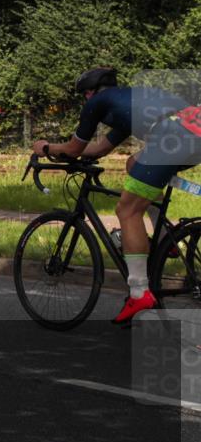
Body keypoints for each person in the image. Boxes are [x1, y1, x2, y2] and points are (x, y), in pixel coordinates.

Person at [33, 67, 201, 323]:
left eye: (84, 96)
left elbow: (75, 148)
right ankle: (165, 239)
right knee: (134, 164)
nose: (85, 100)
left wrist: (46, 148)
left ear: (90, 93)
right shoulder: (128, 102)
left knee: (127, 210)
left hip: (172, 136)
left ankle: (138, 292)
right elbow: (99, 149)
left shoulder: (98, 103)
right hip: (190, 132)